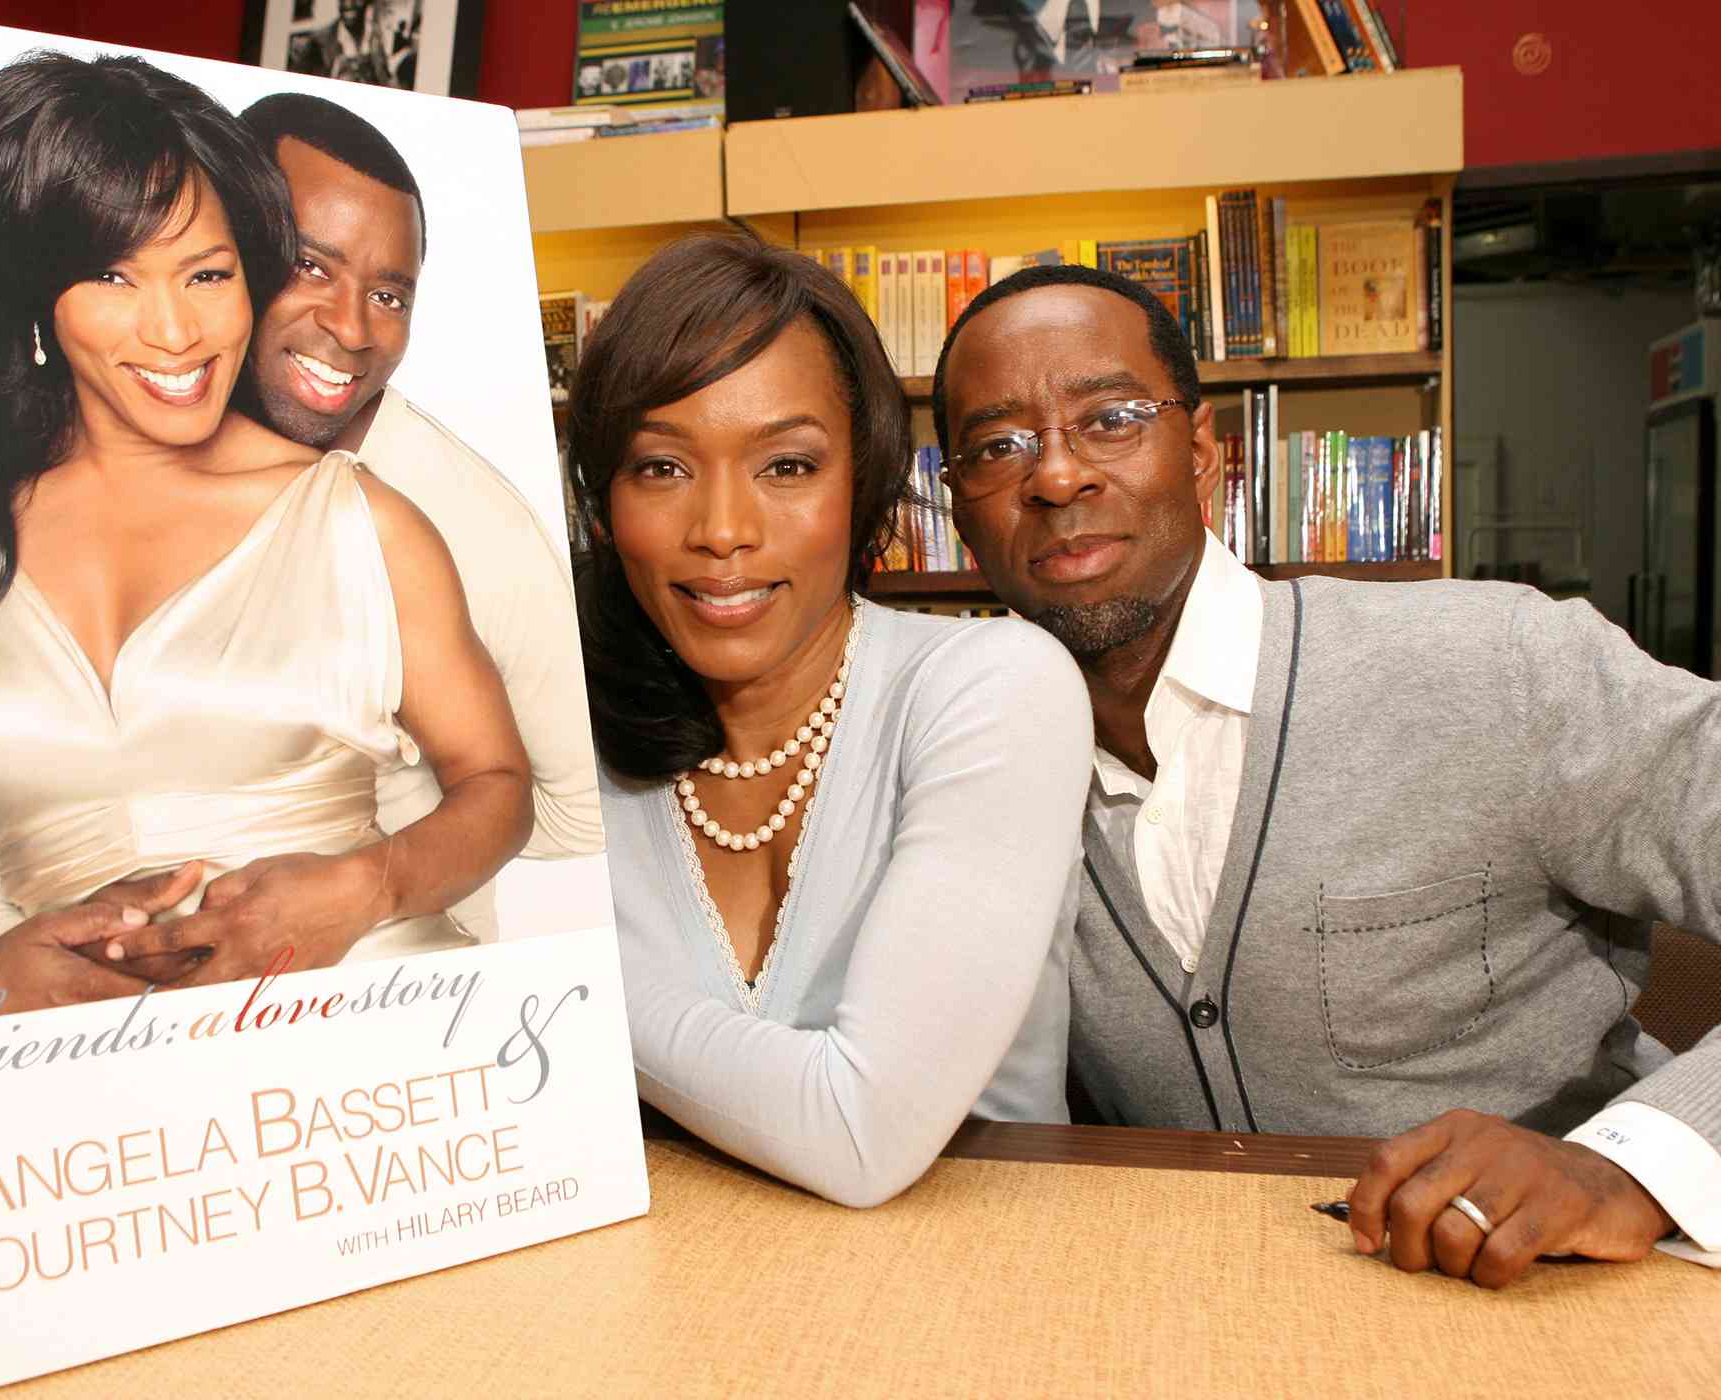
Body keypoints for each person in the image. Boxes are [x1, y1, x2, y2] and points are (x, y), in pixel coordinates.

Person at [935, 261, 1721, 1285]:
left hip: (1564, 1312)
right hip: (1194, 1327)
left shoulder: (1496, 666)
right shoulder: (972, 776)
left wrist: (1626, 1167)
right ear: (954, 504)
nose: (1054, 475)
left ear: (1206, 452)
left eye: (1112, 417)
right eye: (998, 445)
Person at [0, 52, 531, 1027]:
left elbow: (498, 785)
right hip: (91, 1099)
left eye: (207, 273)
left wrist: (367, 886)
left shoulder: (360, 521)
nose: (178, 329)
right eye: (113, 274)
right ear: (35, 298)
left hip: (379, 1056)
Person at [0, 88, 600, 957]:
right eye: (310, 266)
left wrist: (347, 835)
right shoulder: (58, 470)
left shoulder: (459, 525)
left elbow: (567, 807)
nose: (350, 329)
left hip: (386, 1003)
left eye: (390, 295)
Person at [573, 234, 1093, 1208]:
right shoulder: (561, 740)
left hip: (998, 1305)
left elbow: (863, 1133)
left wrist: (552, 972)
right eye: (659, 467)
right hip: (673, 1314)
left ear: (862, 482)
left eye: (785, 464)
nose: (722, 528)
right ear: (602, 502)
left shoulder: (989, 688)